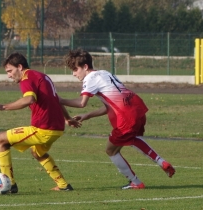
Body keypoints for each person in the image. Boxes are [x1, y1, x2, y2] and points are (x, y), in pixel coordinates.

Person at [59, 49, 175, 189]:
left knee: (111, 150)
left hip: (125, 117)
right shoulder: (105, 73)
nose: (73, 73)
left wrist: (59, 100)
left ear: (85, 67)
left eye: (75, 69)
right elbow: (109, 106)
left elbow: (81, 103)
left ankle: (136, 182)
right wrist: (87, 116)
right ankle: (161, 163)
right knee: (131, 139)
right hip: (137, 108)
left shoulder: (90, 78)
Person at [0, 52, 80, 193]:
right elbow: (56, 100)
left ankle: (9, 185)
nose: (9, 75)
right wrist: (67, 119)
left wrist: (3, 107)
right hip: (57, 128)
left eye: (10, 71)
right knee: (37, 153)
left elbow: (29, 99)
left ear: (20, 67)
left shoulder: (27, 78)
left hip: (43, 128)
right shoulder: (43, 76)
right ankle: (63, 185)